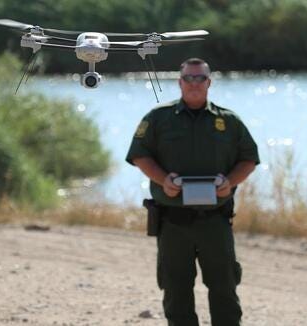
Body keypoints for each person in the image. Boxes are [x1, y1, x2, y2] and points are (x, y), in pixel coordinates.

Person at [125, 58, 259, 326]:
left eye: (200, 78)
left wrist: (229, 182)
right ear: (179, 82)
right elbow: (140, 155)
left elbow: (249, 159)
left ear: (209, 82)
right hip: (174, 222)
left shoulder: (229, 121)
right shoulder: (158, 118)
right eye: (189, 78)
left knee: (224, 290)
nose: (194, 83)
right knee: (176, 293)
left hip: (215, 221)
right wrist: (164, 180)